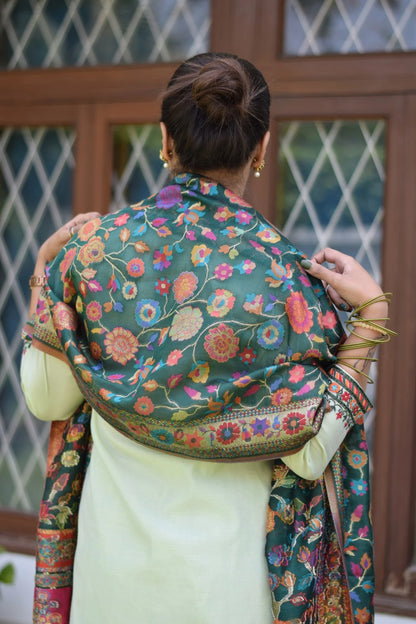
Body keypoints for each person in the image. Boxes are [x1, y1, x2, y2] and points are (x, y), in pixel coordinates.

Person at [21, 53, 394, 624]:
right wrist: (370, 316)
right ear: (261, 148)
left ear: (165, 139)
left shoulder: (93, 256)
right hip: (228, 592)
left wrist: (46, 269)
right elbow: (312, 452)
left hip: (112, 583)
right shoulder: (286, 283)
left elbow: (48, 400)